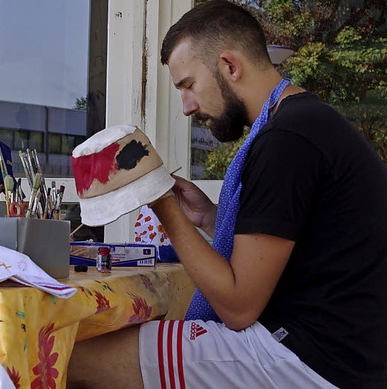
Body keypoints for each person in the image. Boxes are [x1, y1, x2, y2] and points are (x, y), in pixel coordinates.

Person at [67, 1, 387, 388]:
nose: (186, 107)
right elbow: (298, 247)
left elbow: (237, 307)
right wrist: (209, 218)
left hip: (307, 361)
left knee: (66, 354)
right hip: (335, 353)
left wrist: (164, 205)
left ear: (230, 66)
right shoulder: (304, 123)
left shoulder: (288, 140)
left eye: (187, 86)